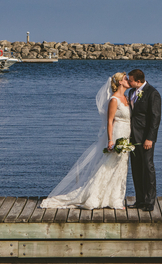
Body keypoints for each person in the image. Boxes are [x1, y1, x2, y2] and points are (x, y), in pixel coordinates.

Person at [39, 73, 132, 209]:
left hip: (127, 134)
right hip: (118, 134)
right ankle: (95, 196)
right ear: (119, 82)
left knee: (121, 167)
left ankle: (115, 198)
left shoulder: (127, 98)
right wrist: (110, 140)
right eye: (125, 78)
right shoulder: (114, 99)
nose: (128, 80)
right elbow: (109, 121)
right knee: (108, 165)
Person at [125, 69, 161, 212]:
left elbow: (155, 118)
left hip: (145, 138)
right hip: (133, 138)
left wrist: (150, 138)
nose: (128, 82)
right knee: (136, 169)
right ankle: (139, 199)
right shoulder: (131, 92)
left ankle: (149, 201)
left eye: (131, 80)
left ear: (138, 81)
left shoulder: (153, 93)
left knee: (148, 168)